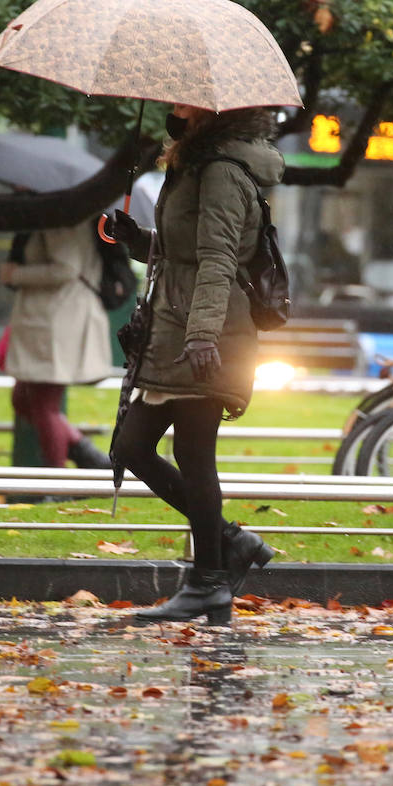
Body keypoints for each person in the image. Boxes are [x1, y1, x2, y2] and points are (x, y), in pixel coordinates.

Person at [104, 103, 283, 625]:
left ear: (214, 110)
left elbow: (219, 258)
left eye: (186, 101)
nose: (174, 107)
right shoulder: (196, 164)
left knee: (192, 453)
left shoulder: (224, 170)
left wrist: (203, 334)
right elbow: (187, 248)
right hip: (178, 327)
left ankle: (208, 581)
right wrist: (138, 241)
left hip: (208, 332)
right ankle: (229, 544)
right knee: (133, 445)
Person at [0, 219, 114, 470]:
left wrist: (15, 274)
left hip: (57, 320)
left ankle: (55, 480)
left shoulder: (61, 218)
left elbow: (66, 268)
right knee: (24, 398)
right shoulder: (60, 211)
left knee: (43, 403)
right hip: (54, 319)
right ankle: (86, 454)